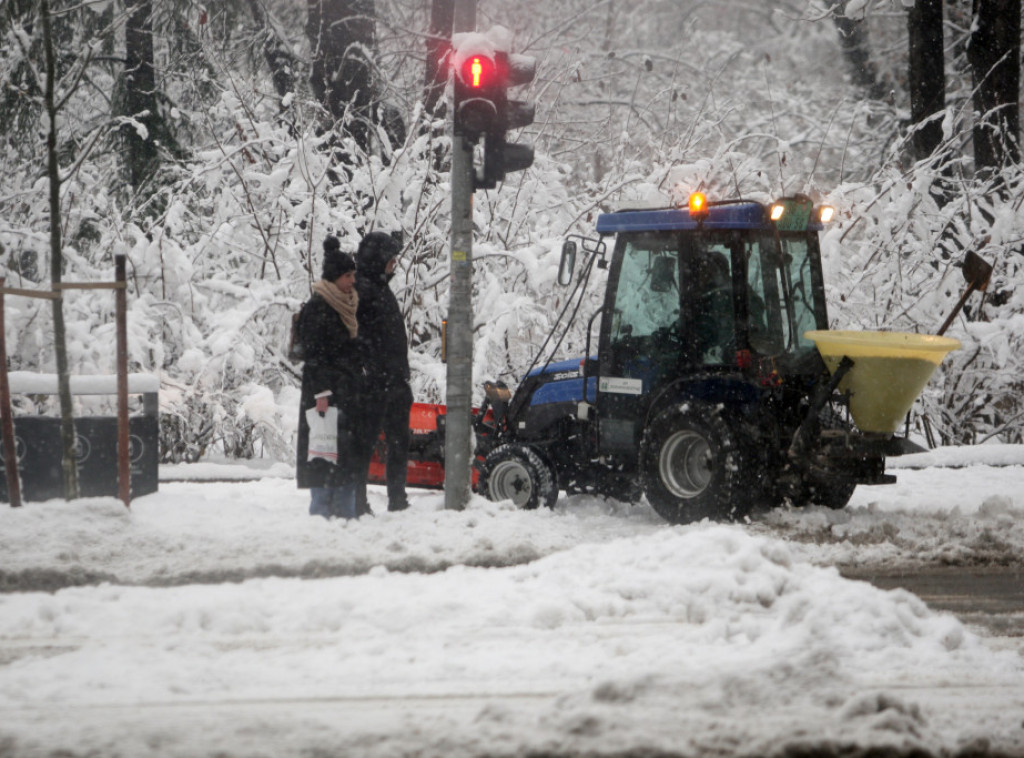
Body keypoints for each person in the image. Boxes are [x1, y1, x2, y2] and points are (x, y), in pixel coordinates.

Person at [295, 237, 364, 519]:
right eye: (347, 276)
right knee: (324, 457)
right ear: (334, 278)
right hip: (326, 398)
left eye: (352, 275)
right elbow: (315, 356)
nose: (352, 281)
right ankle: (323, 516)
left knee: (343, 459)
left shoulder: (346, 305)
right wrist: (322, 394)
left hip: (346, 394)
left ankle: (343, 515)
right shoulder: (319, 307)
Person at [354, 231, 412, 514]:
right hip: (375, 384)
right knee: (364, 443)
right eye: (391, 260)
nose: (395, 265)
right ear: (378, 260)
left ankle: (397, 499)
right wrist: (369, 372)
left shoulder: (378, 288)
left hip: (393, 382)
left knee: (399, 441)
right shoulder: (362, 291)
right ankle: (357, 502)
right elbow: (354, 339)